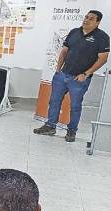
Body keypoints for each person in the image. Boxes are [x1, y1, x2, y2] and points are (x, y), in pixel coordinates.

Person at [34, 10, 110, 142]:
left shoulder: (102, 37)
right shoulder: (74, 32)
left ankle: (71, 131)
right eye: (86, 17)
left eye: (91, 19)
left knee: (75, 106)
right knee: (54, 102)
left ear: (98, 22)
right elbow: (64, 51)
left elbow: (103, 59)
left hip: (79, 79)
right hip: (62, 75)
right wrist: (58, 70)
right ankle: (50, 126)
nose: (86, 20)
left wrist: (86, 74)